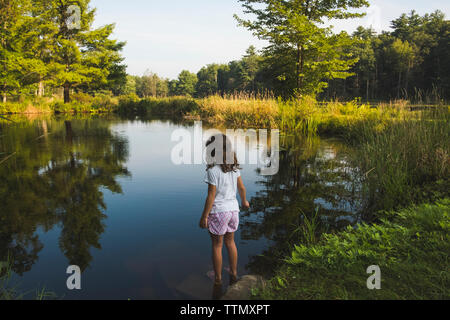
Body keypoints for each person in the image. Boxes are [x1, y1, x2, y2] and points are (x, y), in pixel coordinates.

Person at [199, 134, 250, 286]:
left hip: (219, 211)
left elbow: (211, 196)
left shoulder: (213, 171)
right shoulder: (234, 168)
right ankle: (234, 273)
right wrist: (244, 201)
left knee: (217, 245)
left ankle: (218, 279)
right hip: (233, 210)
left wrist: (204, 216)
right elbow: (241, 187)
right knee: (231, 242)